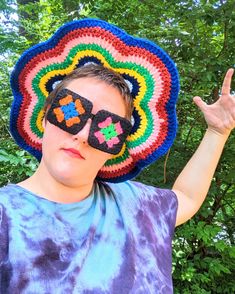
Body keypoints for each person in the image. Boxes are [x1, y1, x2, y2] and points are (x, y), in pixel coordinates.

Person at [0, 19, 234, 293]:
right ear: (44, 118)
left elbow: (188, 198)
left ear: (118, 146)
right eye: (70, 111)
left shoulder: (135, 206)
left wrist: (218, 133)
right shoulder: (6, 217)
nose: (84, 135)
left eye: (106, 128)